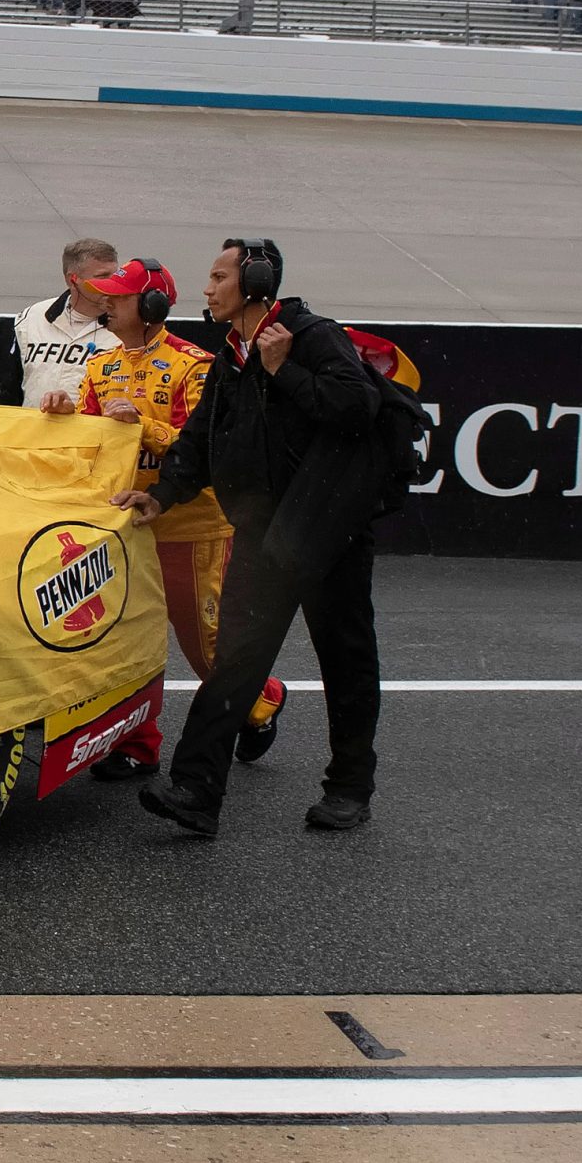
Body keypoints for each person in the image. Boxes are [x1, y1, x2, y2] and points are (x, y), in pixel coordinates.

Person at [118, 240, 390, 835]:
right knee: (235, 661)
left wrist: (284, 371)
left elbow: (357, 406)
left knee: (345, 657)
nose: (207, 289)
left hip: (326, 530)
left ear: (257, 281)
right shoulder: (232, 355)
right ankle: (195, 791)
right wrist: (161, 495)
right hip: (265, 532)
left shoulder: (309, 336)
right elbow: (200, 440)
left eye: (218, 276)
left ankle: (349, 788)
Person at [59, 259, 287, 782]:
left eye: (118, 296)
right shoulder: (99, 366)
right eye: (105, 296)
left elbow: (207, 448)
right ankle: (138, 744)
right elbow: (88, 444)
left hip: (193, 529)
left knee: (207, 646)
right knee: (124, 640)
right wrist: (60, 415)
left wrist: (142, 427)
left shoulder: (196, 366)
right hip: (124, 528)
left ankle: (264, 698)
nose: (106, 304)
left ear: (154, 306)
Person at [8, 238, 121, 409]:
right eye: (102, 276)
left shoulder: (130, 326)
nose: (113, 284)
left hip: (93, 435)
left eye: (116, 276)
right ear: (73, 279)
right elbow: (10, 390)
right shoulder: (32, 318)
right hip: (34, 433)